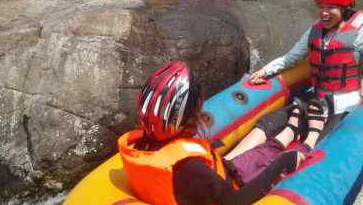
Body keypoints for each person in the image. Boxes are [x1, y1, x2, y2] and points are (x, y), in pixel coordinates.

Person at [225, 0, 363, 159]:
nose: (323, 13)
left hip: (344, 105)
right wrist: (265, 71)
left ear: (346, 7)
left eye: (330, 8)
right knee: (267, 123)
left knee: (323, 146)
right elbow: (291, 57)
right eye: (321, 7)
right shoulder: (314, 31)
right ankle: (228, 161)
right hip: (317, 98)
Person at [119, 61, 329, 205]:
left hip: (217, 180)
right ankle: (309, 141)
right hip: (229, 191)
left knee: (259, 153)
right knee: (284, 158)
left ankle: (291, 129)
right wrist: (282, 165)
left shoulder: (141, 146)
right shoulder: (190, 167)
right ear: (191, 114)